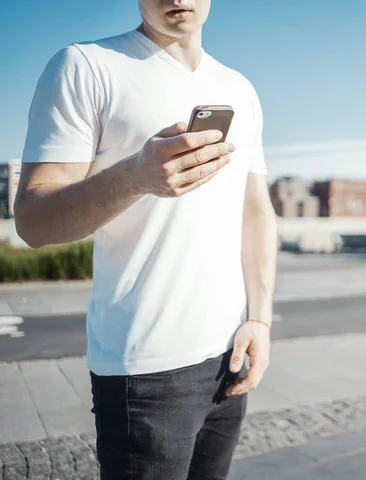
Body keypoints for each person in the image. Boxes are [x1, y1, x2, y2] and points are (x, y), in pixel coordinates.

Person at [14, 0, 277, 478]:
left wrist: (260, 318)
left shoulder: (239, 88)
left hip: (228, 354)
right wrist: (135, 175)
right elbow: (32, 220)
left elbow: (255, 210)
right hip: (145, 368)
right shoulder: (86, 66)